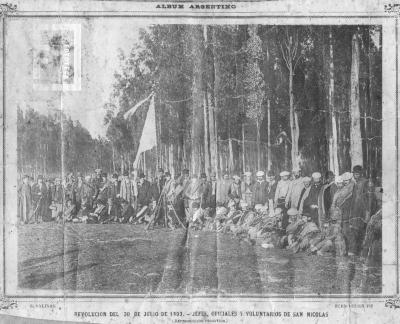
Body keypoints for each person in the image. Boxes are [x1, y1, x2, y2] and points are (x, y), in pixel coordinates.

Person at [348, 165, 370, 256]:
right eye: (354, 174)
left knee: (361, 232)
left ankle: (359, 252)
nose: (355, 175)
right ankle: (354, 251)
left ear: (360, 174)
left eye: (357, 174)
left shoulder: (365, 182)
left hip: (362, 212)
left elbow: (368, 199)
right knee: (354, 231)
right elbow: (353, 198)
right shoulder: (355, 183)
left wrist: (367, 212)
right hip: (355, 212)